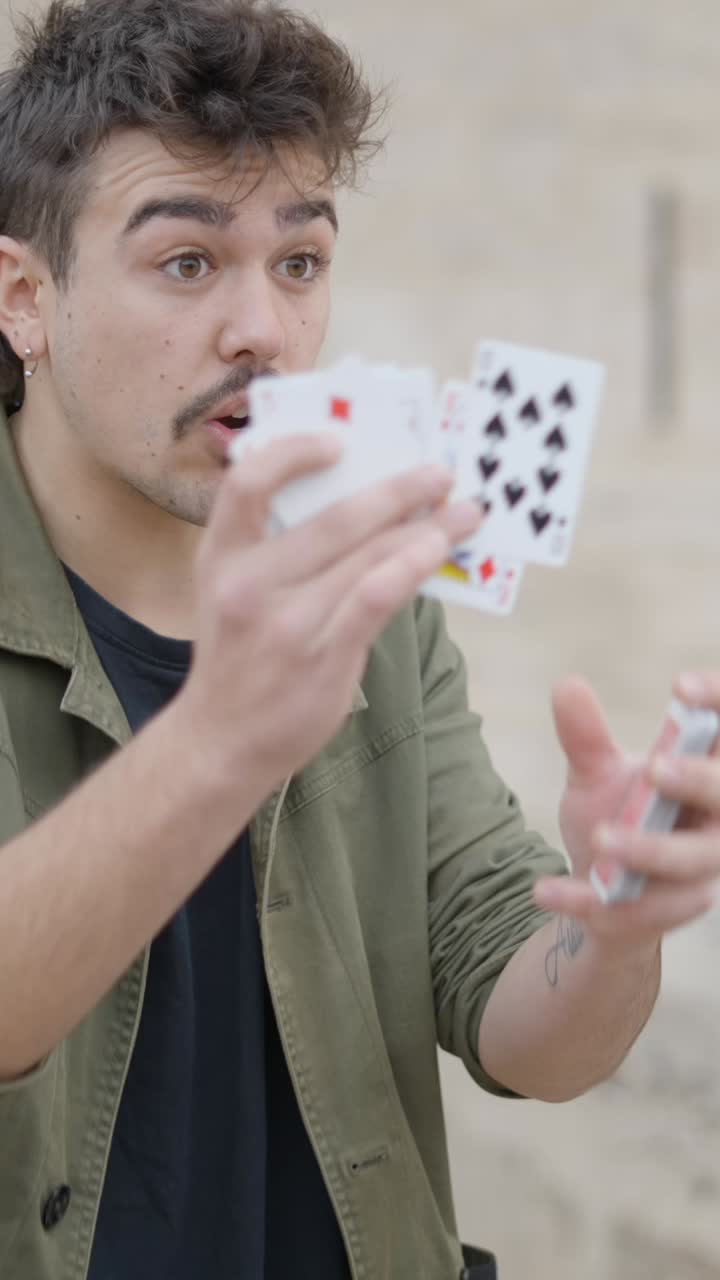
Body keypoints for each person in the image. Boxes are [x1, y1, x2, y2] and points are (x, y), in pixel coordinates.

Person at [1, 2, 719, 1277]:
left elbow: (526, 1028)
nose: (262, 333)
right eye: (186, 263)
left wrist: (614, 927)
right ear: (24, 296)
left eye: (298, 262)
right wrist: (223, 735)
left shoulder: (376, 593)